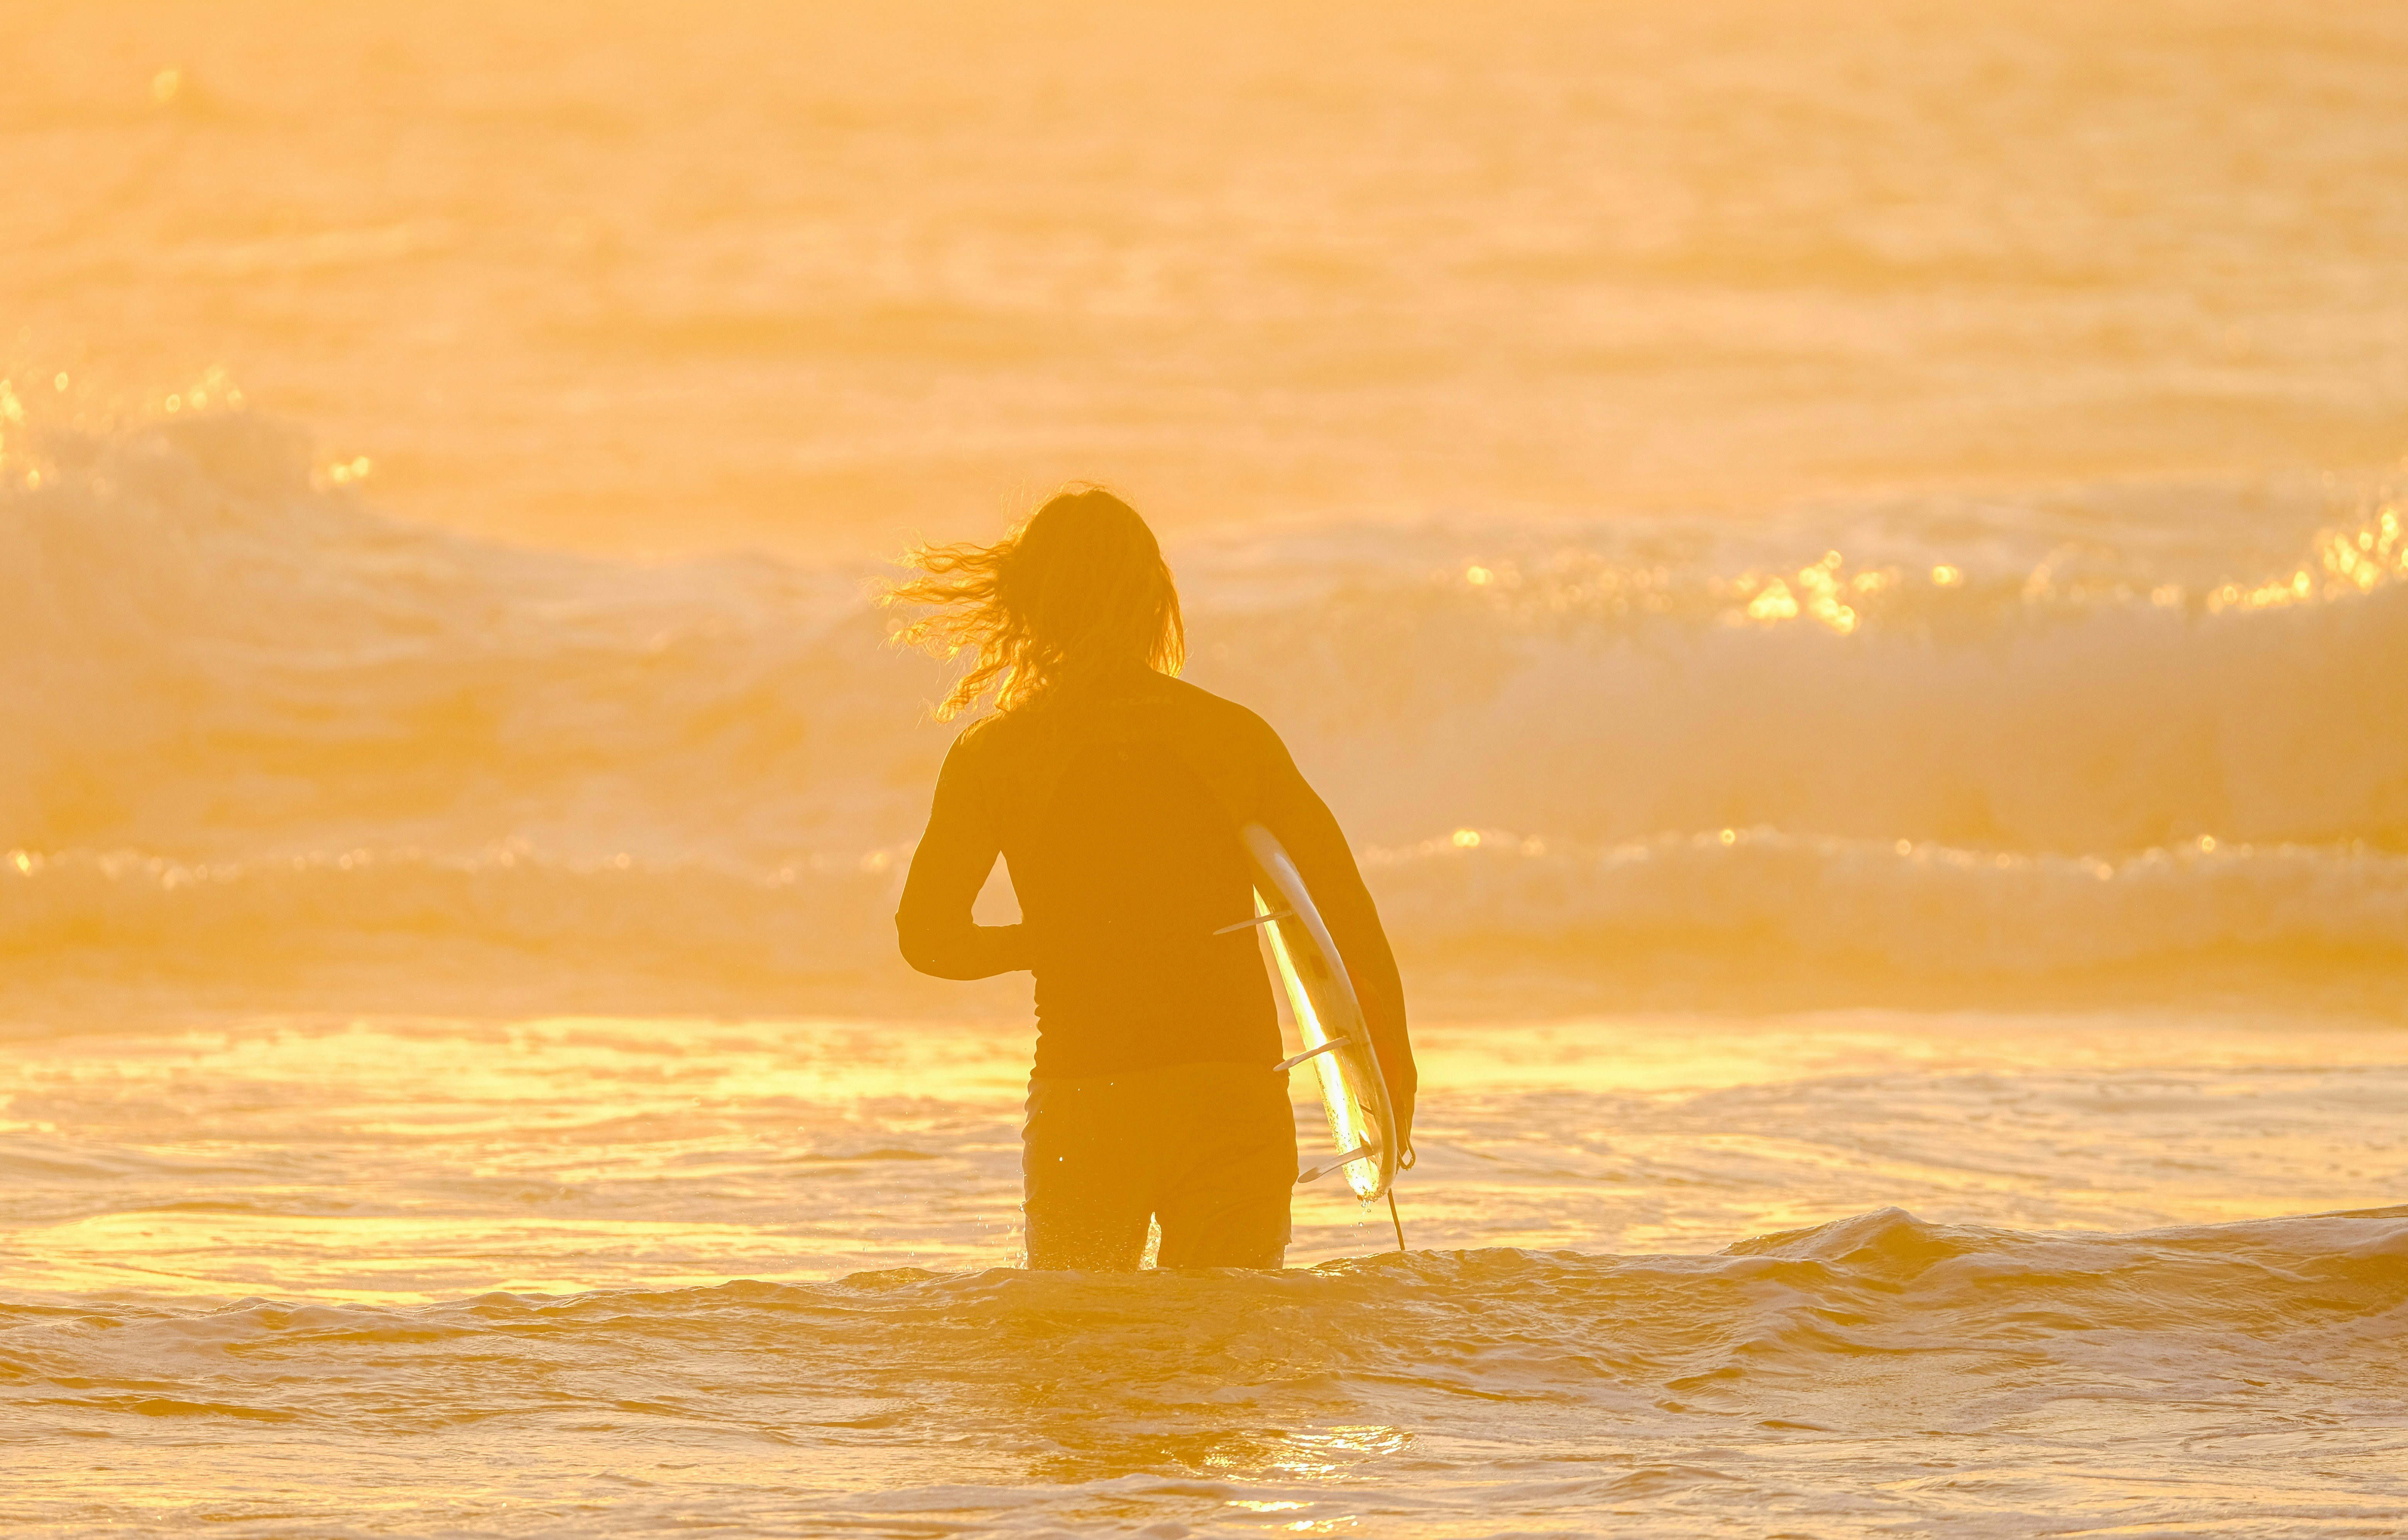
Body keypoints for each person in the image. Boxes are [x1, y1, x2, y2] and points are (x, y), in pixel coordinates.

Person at [888, 485, 1415, 1271]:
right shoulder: (1231, 736)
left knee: (1082, 1360)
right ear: (1154, 600)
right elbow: (1341, 911)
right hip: (1232, 1095)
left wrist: (1044, 942)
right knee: (1224, 1355)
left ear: (1028, 606)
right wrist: (1390, 1076)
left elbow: (927, 937)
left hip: (1090, 1101)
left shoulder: (997, 756)